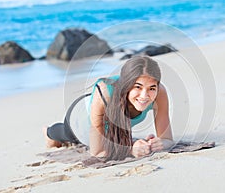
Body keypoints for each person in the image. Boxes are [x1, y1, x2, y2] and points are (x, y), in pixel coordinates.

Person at [43, 55, 174, 161]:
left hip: (111, 127)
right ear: (126, 85)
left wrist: (158, 144)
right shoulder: (104, 90)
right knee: (67, 134)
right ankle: (48, 133)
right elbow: (98, 152)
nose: (145, 96)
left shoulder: (159, 92)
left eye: (151, 88)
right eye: (137, 87)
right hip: (81, 117)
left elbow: (167, 139)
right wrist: (130, 151)